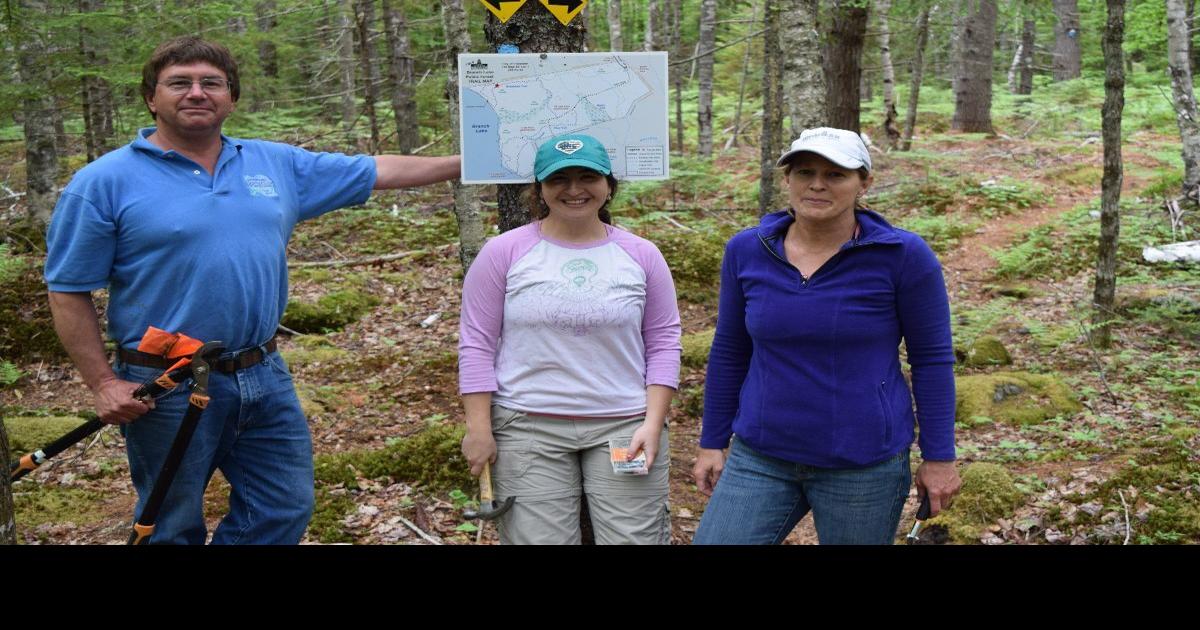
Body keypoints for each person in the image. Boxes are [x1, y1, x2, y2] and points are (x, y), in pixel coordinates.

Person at [43, 36, 461, 544]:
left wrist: (473, 162)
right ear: (152, 98)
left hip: (264, 374)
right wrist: (103, 383)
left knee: (283, 508)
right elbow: (68, 290)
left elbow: (380, 170)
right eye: (179, 83)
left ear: (231, 98)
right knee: (169, 523)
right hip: (168, 382)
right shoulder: (103, 182)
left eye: (211, 83)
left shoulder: (274, 164)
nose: (196, 93)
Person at [691, 127, 961, 545]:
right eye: (804, 172)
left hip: (863, 463)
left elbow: (932, 360)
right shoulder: (747, 250)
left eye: (835, 174)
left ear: (863, 183)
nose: (817, 184)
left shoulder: (902, 256)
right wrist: (712, 441)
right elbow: (730, 350)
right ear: (787, 179)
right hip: (761, 454)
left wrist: (939, 456)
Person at [458, 133, 682, 544]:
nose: (574, 189)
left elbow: (664, 341)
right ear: (540, 188)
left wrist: (653, 422)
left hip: (624, 424)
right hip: (527, 425)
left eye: (587, 177)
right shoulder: (504, 252)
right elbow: (476, 342)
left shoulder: (642, 254)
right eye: (560, 179)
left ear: (608, 186)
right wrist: (478, 427)